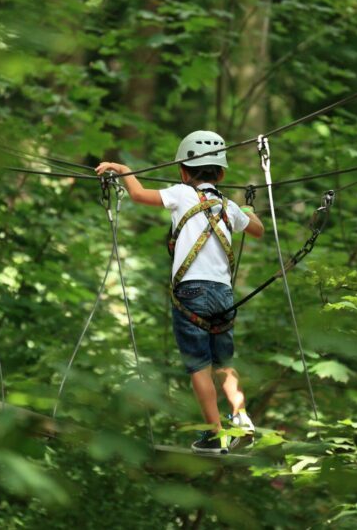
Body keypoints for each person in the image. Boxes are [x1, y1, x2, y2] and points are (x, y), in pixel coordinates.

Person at [95, 130, 264, 454]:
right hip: (224, 296)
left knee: (199, 365)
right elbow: (257, 230)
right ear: (222, 173)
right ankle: (240, 415)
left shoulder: (180, 194)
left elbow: (140, 195)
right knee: (223, 361)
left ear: (184, 172)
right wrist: (249, 211)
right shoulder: (229, 207)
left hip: (191, 294)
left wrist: (121, 168)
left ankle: (216, 434)